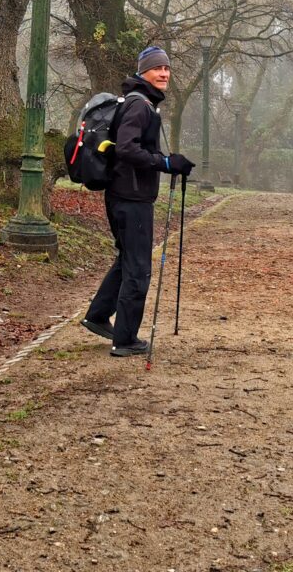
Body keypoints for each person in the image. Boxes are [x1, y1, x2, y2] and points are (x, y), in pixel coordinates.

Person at [81, 46, 195, 357]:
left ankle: (98, 315)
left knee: (127, 258)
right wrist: (166, 164)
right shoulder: (139, 106)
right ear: (142, 72)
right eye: (157, 69)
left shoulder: (141, 103)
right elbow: (127, 150)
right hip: (131, 199)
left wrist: (166, 161)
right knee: (138, 266)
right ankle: (125, 339)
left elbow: (130, 148)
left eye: (167, 69)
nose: (164, 74)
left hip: (125, 196)